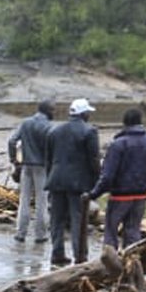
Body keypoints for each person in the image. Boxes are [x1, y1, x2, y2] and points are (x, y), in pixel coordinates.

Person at [87, 108, 146, 249]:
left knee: (111, 233)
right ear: (140, 122)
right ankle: (132, 264)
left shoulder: (118, 144)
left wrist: (94, 194)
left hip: (119, 197)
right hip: (140, 196)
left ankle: (110, 266)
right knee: (133, 231)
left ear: (124, 123)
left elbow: (108, 175)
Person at [45, 99, 102, 266]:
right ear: (83, 114)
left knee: (57, 220)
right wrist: (96, 183)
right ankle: (80, 256)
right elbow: (94, 160)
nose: (89, 115)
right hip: (78, 183)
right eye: (88, 112)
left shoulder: (54, 131)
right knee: (78, 220)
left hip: (56, 180)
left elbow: (49, 159)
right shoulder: (89, 132)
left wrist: (50, 178)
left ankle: (57, 253)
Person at [8, 101, 55, 243]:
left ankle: (20, 233)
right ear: (47, 111)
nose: (54, 113)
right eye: (53, 110)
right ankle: (40, 235)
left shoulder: (26, 123)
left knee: (24, 200)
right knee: (42, 202)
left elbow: (12, 141)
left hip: (26, 165)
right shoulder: (48, 127)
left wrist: (14, 160)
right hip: (42, 167)